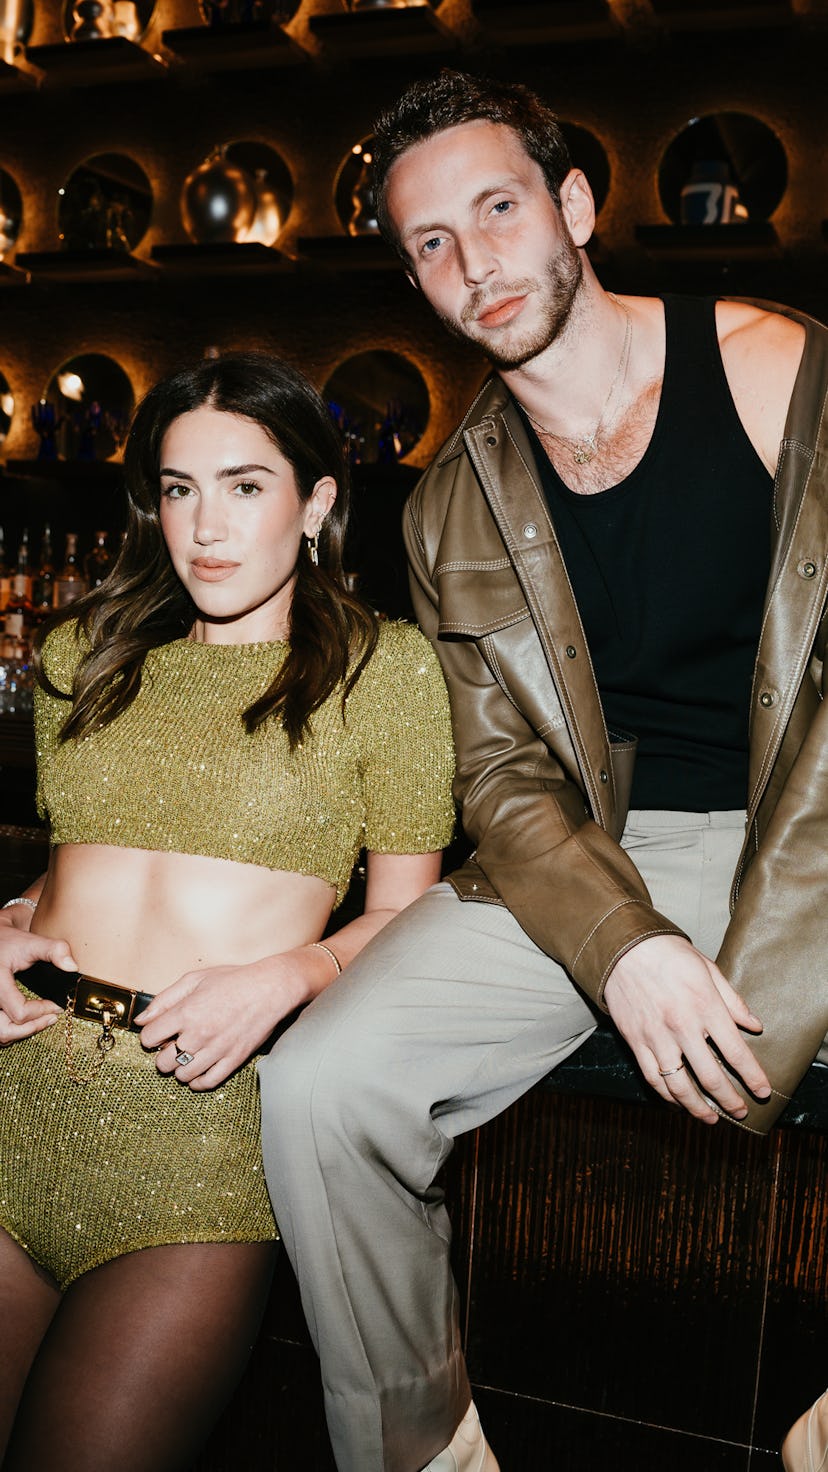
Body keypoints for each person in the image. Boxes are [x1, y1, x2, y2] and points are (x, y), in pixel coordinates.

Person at [257, 69, 828, 1472]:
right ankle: (424, 1450)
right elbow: (504, 779)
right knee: (321, 1084)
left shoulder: (775, 370)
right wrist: (623, 941)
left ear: (573, 204)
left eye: (498, 209)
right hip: (601, 856)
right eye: (432, 242)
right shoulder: (450, 500)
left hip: (814, 818)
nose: (474, 260)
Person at [0, 350, 455, 1472]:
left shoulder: (382, 672)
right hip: (17, 1097)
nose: (205, 526)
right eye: (178, 488)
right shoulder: (84, 654)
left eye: (245, 486)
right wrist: (6, 923)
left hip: (200, 1150)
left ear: (317, 501)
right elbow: (67, 871)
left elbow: (412, 913)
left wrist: (288, 976)